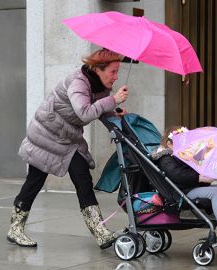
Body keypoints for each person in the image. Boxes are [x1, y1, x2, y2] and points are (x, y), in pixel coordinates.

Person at [7, 49, 129, 249]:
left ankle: (100, 232)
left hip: (69, 139)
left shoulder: (99, 85)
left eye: (117, 72)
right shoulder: (78, 82)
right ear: (98, 69)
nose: (116, 77)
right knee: (35, 181)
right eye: (113, 72)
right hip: (46, 135)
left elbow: (100, 109)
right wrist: (113, 100)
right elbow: (84, 112)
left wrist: (115, 113)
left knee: (83, 180)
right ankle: (15, 228)